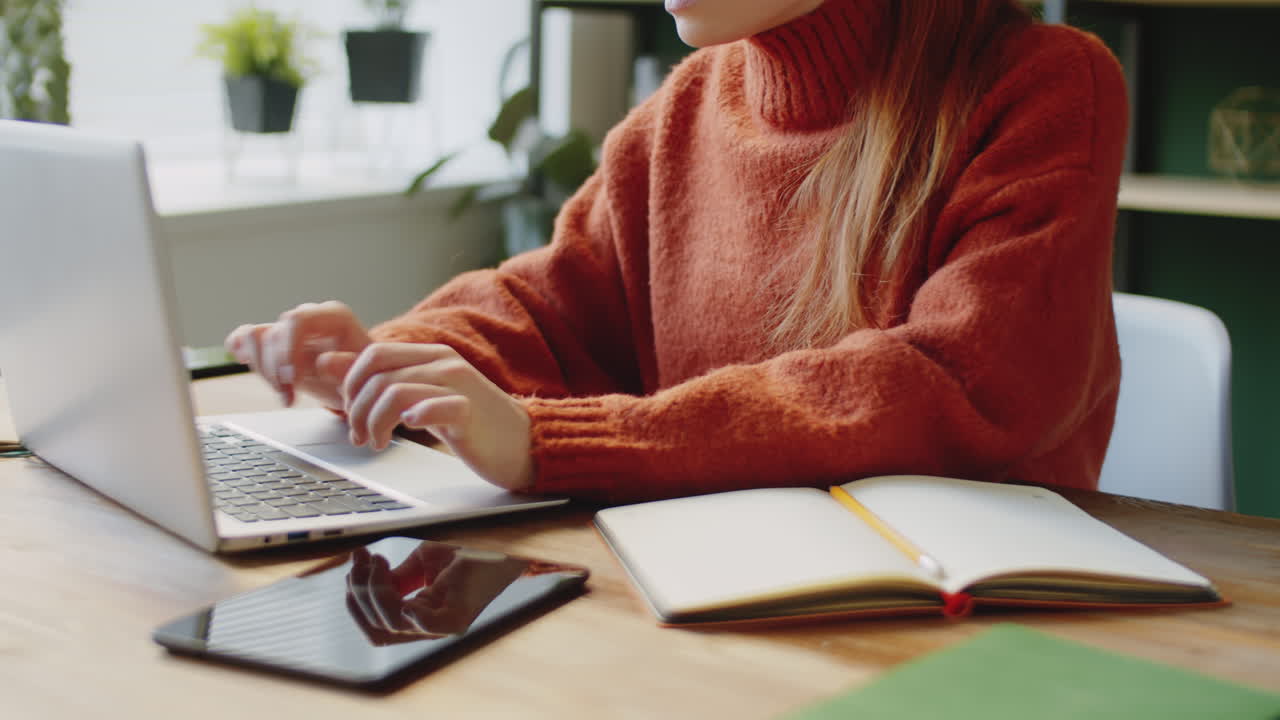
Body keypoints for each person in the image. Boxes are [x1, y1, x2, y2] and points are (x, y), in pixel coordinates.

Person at [226, 0, 1128, 504]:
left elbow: (952, 383)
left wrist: (551, 442)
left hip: (971, 629)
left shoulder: (1048, 84)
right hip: (734, 602)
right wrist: (396, 362)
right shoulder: (690, 104)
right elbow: (552, 306)